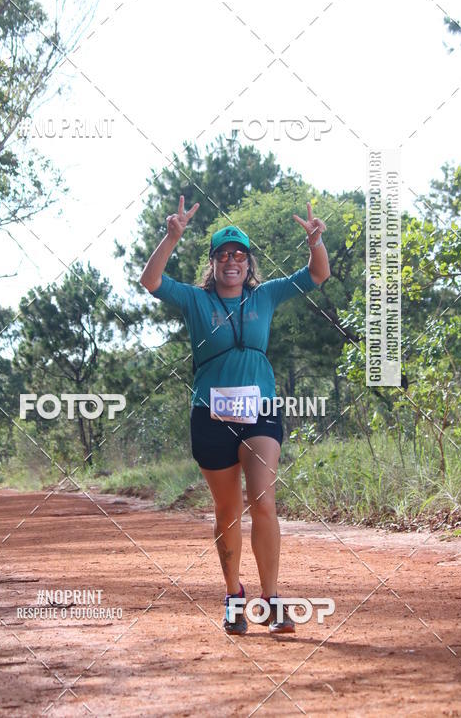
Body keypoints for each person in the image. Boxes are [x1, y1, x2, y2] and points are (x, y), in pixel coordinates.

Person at [140, 196, 330, 635]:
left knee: (263, 500)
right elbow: (150, 281)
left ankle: (272, 598)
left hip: (260, 411)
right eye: (223, 254)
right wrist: (171, 239)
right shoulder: (194, 300)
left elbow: (318, 274)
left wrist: (315, 243)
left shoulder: (265, 295)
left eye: (239, 255)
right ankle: (232, 594)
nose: (232, 261)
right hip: (210, 415)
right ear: (213, 263)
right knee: (227, 510)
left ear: (248, 264)